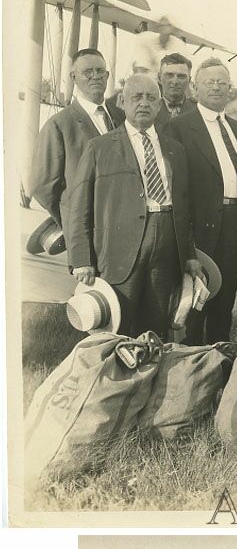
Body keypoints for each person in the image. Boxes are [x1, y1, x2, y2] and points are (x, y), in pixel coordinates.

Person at [66, 74, 202, 337]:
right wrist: (82, 259)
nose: (144, 103)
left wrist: (189, 255)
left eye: (151, 98)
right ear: (121, 101)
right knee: (116, 324)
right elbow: (79, 207)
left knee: (156, 325)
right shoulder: (100, 148)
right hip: (119, 250)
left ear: (160, 105)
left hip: (166, 246)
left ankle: (148, 375)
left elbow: (183, 207)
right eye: (137, 97)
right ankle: (111, 376)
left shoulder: (175, 150)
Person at [168, 57, 237, 343]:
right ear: (195, 88)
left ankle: (219, 360)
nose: (216, 87)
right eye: (209, 82)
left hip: (236, 223)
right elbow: (178, 192)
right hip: (201, 227)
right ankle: (192, 363)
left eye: (222, 83)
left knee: (225, 299)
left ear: (230, 89)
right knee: (198, 299)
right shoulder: (179, 127)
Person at [30, 48, 125, 232]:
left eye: (100, 72)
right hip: (83, 231)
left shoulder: (122, 118)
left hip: (120, 229)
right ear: (73, 77)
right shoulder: (59, 125)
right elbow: (43, 186)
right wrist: (70, 220)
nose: (96, 76)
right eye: (88, 72)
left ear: (107, 75)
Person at [156, 52, 197, 125]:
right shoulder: (150, 109)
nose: (175, 82)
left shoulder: (198, 110)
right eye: (169, 75)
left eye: (181, 76)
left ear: (189, 80)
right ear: (159, 78)